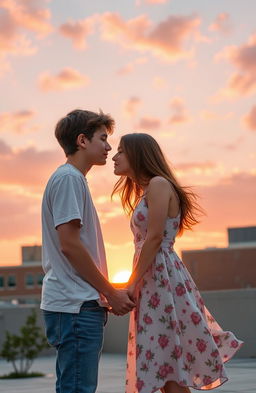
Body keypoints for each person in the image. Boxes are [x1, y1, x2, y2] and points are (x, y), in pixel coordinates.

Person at [112, 133, 243, 393]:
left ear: (138, 154)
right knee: (164, 366)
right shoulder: (148, 190)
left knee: (169, 363)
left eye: (121, 151)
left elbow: (155, 237)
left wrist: (131, 284)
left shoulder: (159, 184)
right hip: (154, 279)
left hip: (160, 279)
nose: (114, 157)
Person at [40, 109, 135, 393]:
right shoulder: (69, 179)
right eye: (103, 139)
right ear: (82, 140)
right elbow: (70, 245)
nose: (108, 147)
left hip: (74, 305)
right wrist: (110, 291)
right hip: (75, 306)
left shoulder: (72, 179)